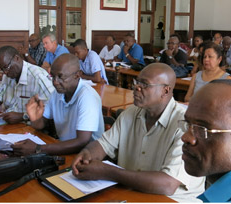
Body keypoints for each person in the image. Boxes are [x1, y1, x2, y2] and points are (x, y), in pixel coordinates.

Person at [71, 63, 205, 202]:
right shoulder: (130, 114)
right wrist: (86, 154)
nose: (136, 87)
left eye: (145, 84)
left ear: (165, 91)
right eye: (137, 82)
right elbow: (103, 145)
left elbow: (167, 185)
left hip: (171, 199)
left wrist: (107, 171)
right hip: (134, 192)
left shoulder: (184, 125)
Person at [11, 54, 104, 156]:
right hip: (64, 148)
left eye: (60, 77)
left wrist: (38, 148)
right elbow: (40, 124)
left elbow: (82, 141)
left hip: (87, 155)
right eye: (53, 76)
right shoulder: (57, 93)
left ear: (77, 75)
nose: (55, 82)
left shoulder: (87, 97)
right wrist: (34, 118)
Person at [0, 46, 54, 124]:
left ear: (17, 58)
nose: (5, 73)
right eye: (2, 70)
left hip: (30, 129)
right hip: (8, 126)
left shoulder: (38, 77)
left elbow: (53, 110)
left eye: (6, 67)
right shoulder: (7, 76)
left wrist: (23, 116)